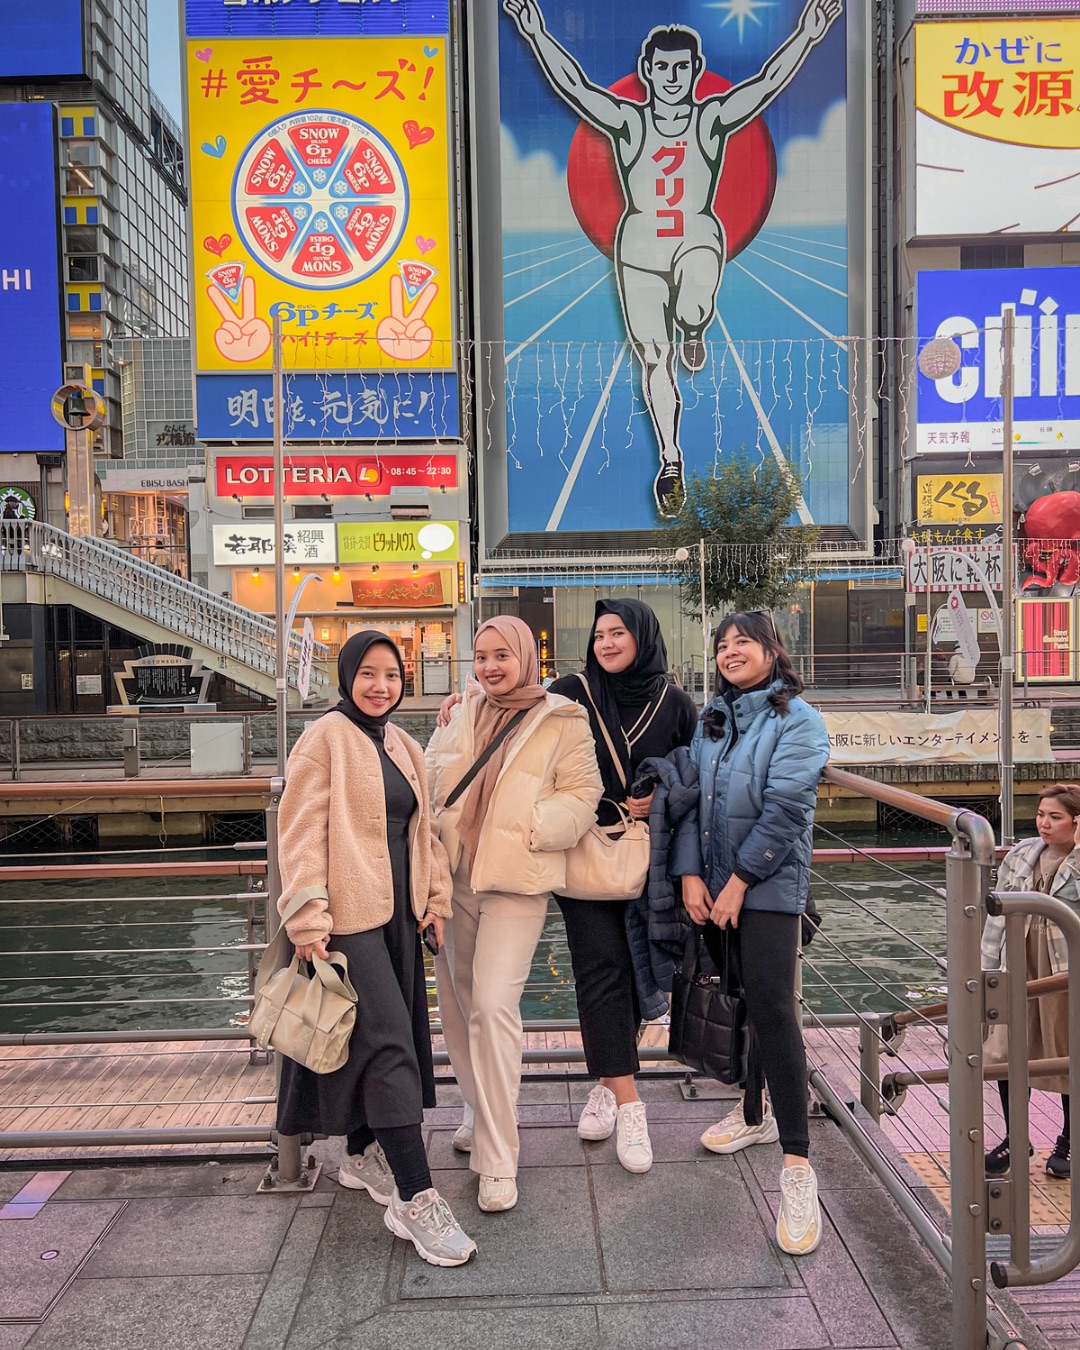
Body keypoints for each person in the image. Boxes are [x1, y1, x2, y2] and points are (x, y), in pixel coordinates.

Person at [503, 0, 842, 514]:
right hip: (637, 248)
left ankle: (694, 326)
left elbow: (767, 84)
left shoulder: (711, 119)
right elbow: (574, 86)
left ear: (694, 72)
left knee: (690, 306)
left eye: (681, 68)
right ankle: (670, 458)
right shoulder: (628, 122)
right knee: (654, 361)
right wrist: (535, 33)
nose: (671, 77)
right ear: (647, 71)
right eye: (662, 67)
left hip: (697, 236)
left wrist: (808, 35)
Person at [274, 631, 476, 1267]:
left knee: (391, 1039)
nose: (380, 685)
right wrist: (307, 918)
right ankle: (416, 1199)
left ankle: (362, 1153)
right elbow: (300, 829)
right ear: (346, 676)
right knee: (390, 1047)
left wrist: (435, 903)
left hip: (397, 919)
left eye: (391, 674)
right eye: (368, 673)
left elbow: (425, 834)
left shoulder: (400, 742)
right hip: (347, 918)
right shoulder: (325, 737)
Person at [426, 616, 602, 1213]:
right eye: (480, 656)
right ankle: (480, 1111)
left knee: (494, 1007)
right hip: (455, 878)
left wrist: (531, 828)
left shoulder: (563, 718)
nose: (490, 666)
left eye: (502, 654)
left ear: (526, 655)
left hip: (517, 882)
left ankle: (499, 1157)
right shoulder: (461, 712)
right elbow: (432, 781)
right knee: (457, 1007)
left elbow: (584, 796)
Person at [669, 609, 830, 1255]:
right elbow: (688, 802)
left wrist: (738, 881)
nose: (730, 651)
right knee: (742, 998)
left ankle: (797, 1165)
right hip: (712, 888)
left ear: (772, 650)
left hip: (765, 888)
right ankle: (754, 1113)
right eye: (723, 645)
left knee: (773, 1008)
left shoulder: (798, 719)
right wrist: (690, 876)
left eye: (744, 642)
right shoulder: (713, 722)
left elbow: (789, 809)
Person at [547, 600, 697, 1172]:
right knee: (599, 965)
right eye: (600, 633)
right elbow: (514, 711)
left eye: (619, 632)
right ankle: (632, 1107)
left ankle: (609, 1083)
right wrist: (463, 703)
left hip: (650, 858)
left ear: (643, 638)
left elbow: (702, 769)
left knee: (638, 967)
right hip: (585, 852)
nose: (607, 642)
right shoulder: (572, 690)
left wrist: (666, 795)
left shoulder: (676, 703)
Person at [982, 784, 1080, 1181]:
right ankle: (1014, 1136)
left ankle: (1070, 1141)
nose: (1044, 823)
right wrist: (985, 967)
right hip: (1019, 961)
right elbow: (995, 917)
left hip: (1063, 969)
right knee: (1007, 1050)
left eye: (1055, 817)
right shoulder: (1022, 853)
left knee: (1065, 1047)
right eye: (1041, 814)